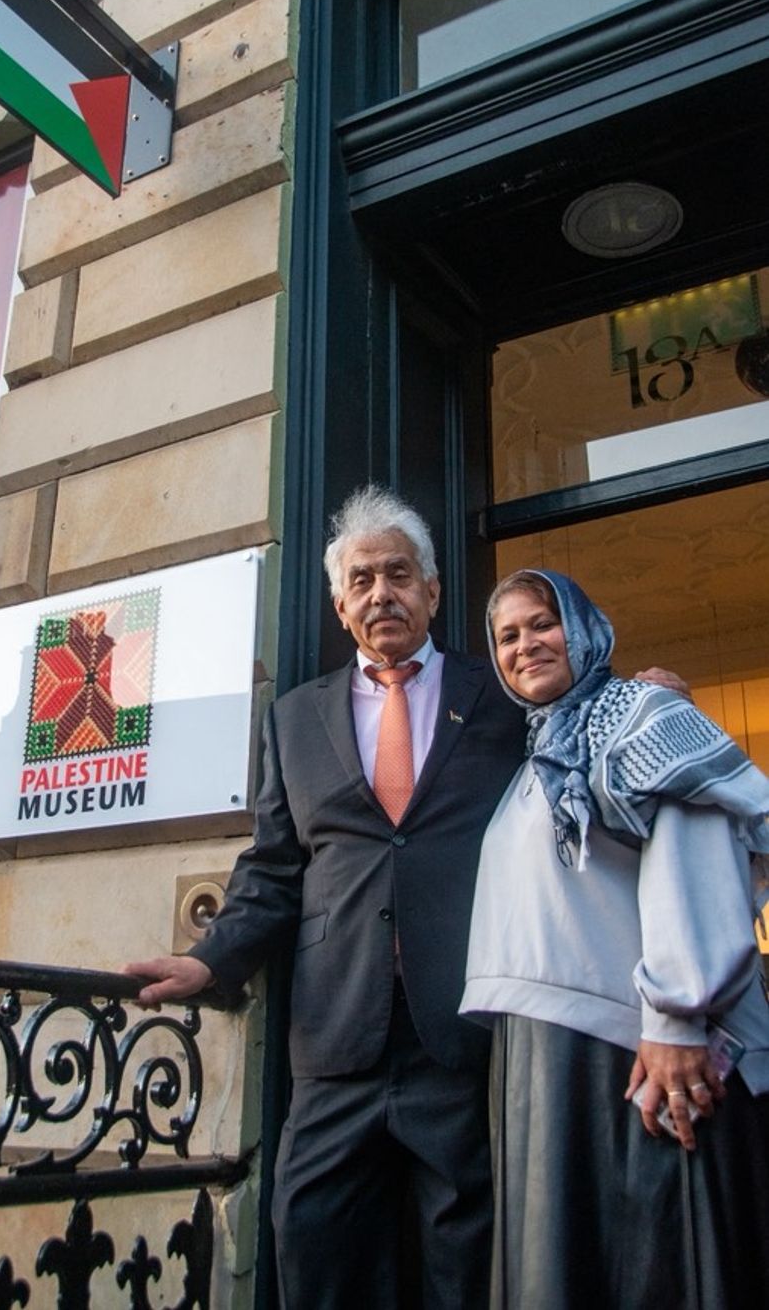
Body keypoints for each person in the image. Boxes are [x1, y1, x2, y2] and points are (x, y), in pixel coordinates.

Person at [127, 490, 685, 1308]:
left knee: (468, 1260)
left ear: (431, 590)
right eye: (361, 579)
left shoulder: (496, 693)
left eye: (398, 574)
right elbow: (275, 866)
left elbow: (576, 719)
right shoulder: (293, 720)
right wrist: (212, 959)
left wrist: (646, 699)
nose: (380, 592)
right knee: (315, 1248)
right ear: (339, 602)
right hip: (334, 1044)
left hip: (460, 1036)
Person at [461, 568, 769, 1310]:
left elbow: (692, 856)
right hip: (552, 1052)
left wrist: (675, 1017)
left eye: (543, 623)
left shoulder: (640, 713)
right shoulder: (545, 746)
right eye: (507, 636)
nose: (526, 645)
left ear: (586, 626)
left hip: (640, 1051)